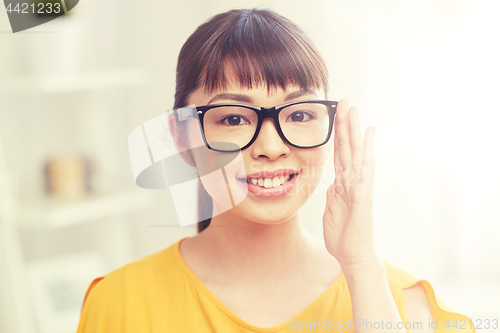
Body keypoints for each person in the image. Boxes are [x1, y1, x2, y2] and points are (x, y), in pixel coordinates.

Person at [76, 8, 474, 332]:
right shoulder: (119, 304)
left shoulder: (410, 307)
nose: (271, 147)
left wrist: (359, 263)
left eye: (299, 113)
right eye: (233, 119)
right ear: (181, 138)